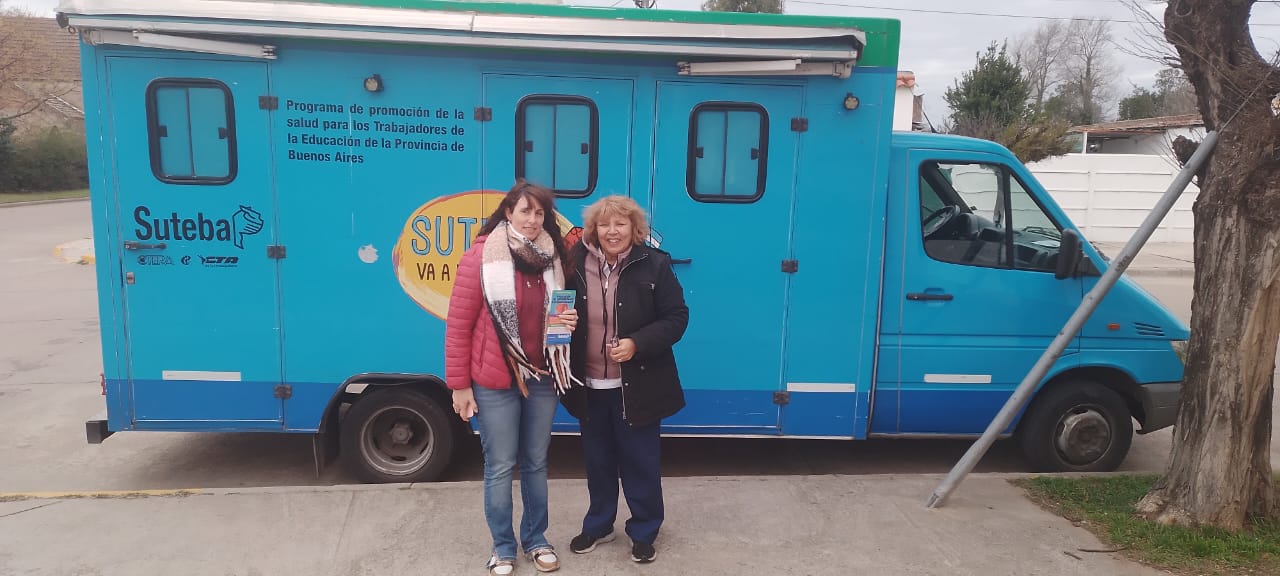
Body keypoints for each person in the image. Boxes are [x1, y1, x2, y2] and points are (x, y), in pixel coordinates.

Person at [445, 180, 579, 576]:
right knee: (501, 464)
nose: (533, 220)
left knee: (535, 462)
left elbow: (556, 318)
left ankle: (536, 540)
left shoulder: (554, 258)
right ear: (508, 212)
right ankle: (503, 548)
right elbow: (458, 326)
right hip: (494, 380)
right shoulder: (481, 256)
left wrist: (567, 322)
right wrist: (459, 385)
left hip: (542, 376)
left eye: (540, 213)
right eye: (525, 211)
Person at [560, 195, 689, 564]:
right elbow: (556, 308)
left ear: (635, 229)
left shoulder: (655, 265)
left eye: (620, 224)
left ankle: (644, 530)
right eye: (604, 224)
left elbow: (676, 317)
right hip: (589, 385)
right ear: (593, 229)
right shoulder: (573, 263)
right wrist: (560, 322)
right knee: (597, 462)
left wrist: (637, 343)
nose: (612, 231)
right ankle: (600, 525)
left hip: (638, 386)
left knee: (640, 462)